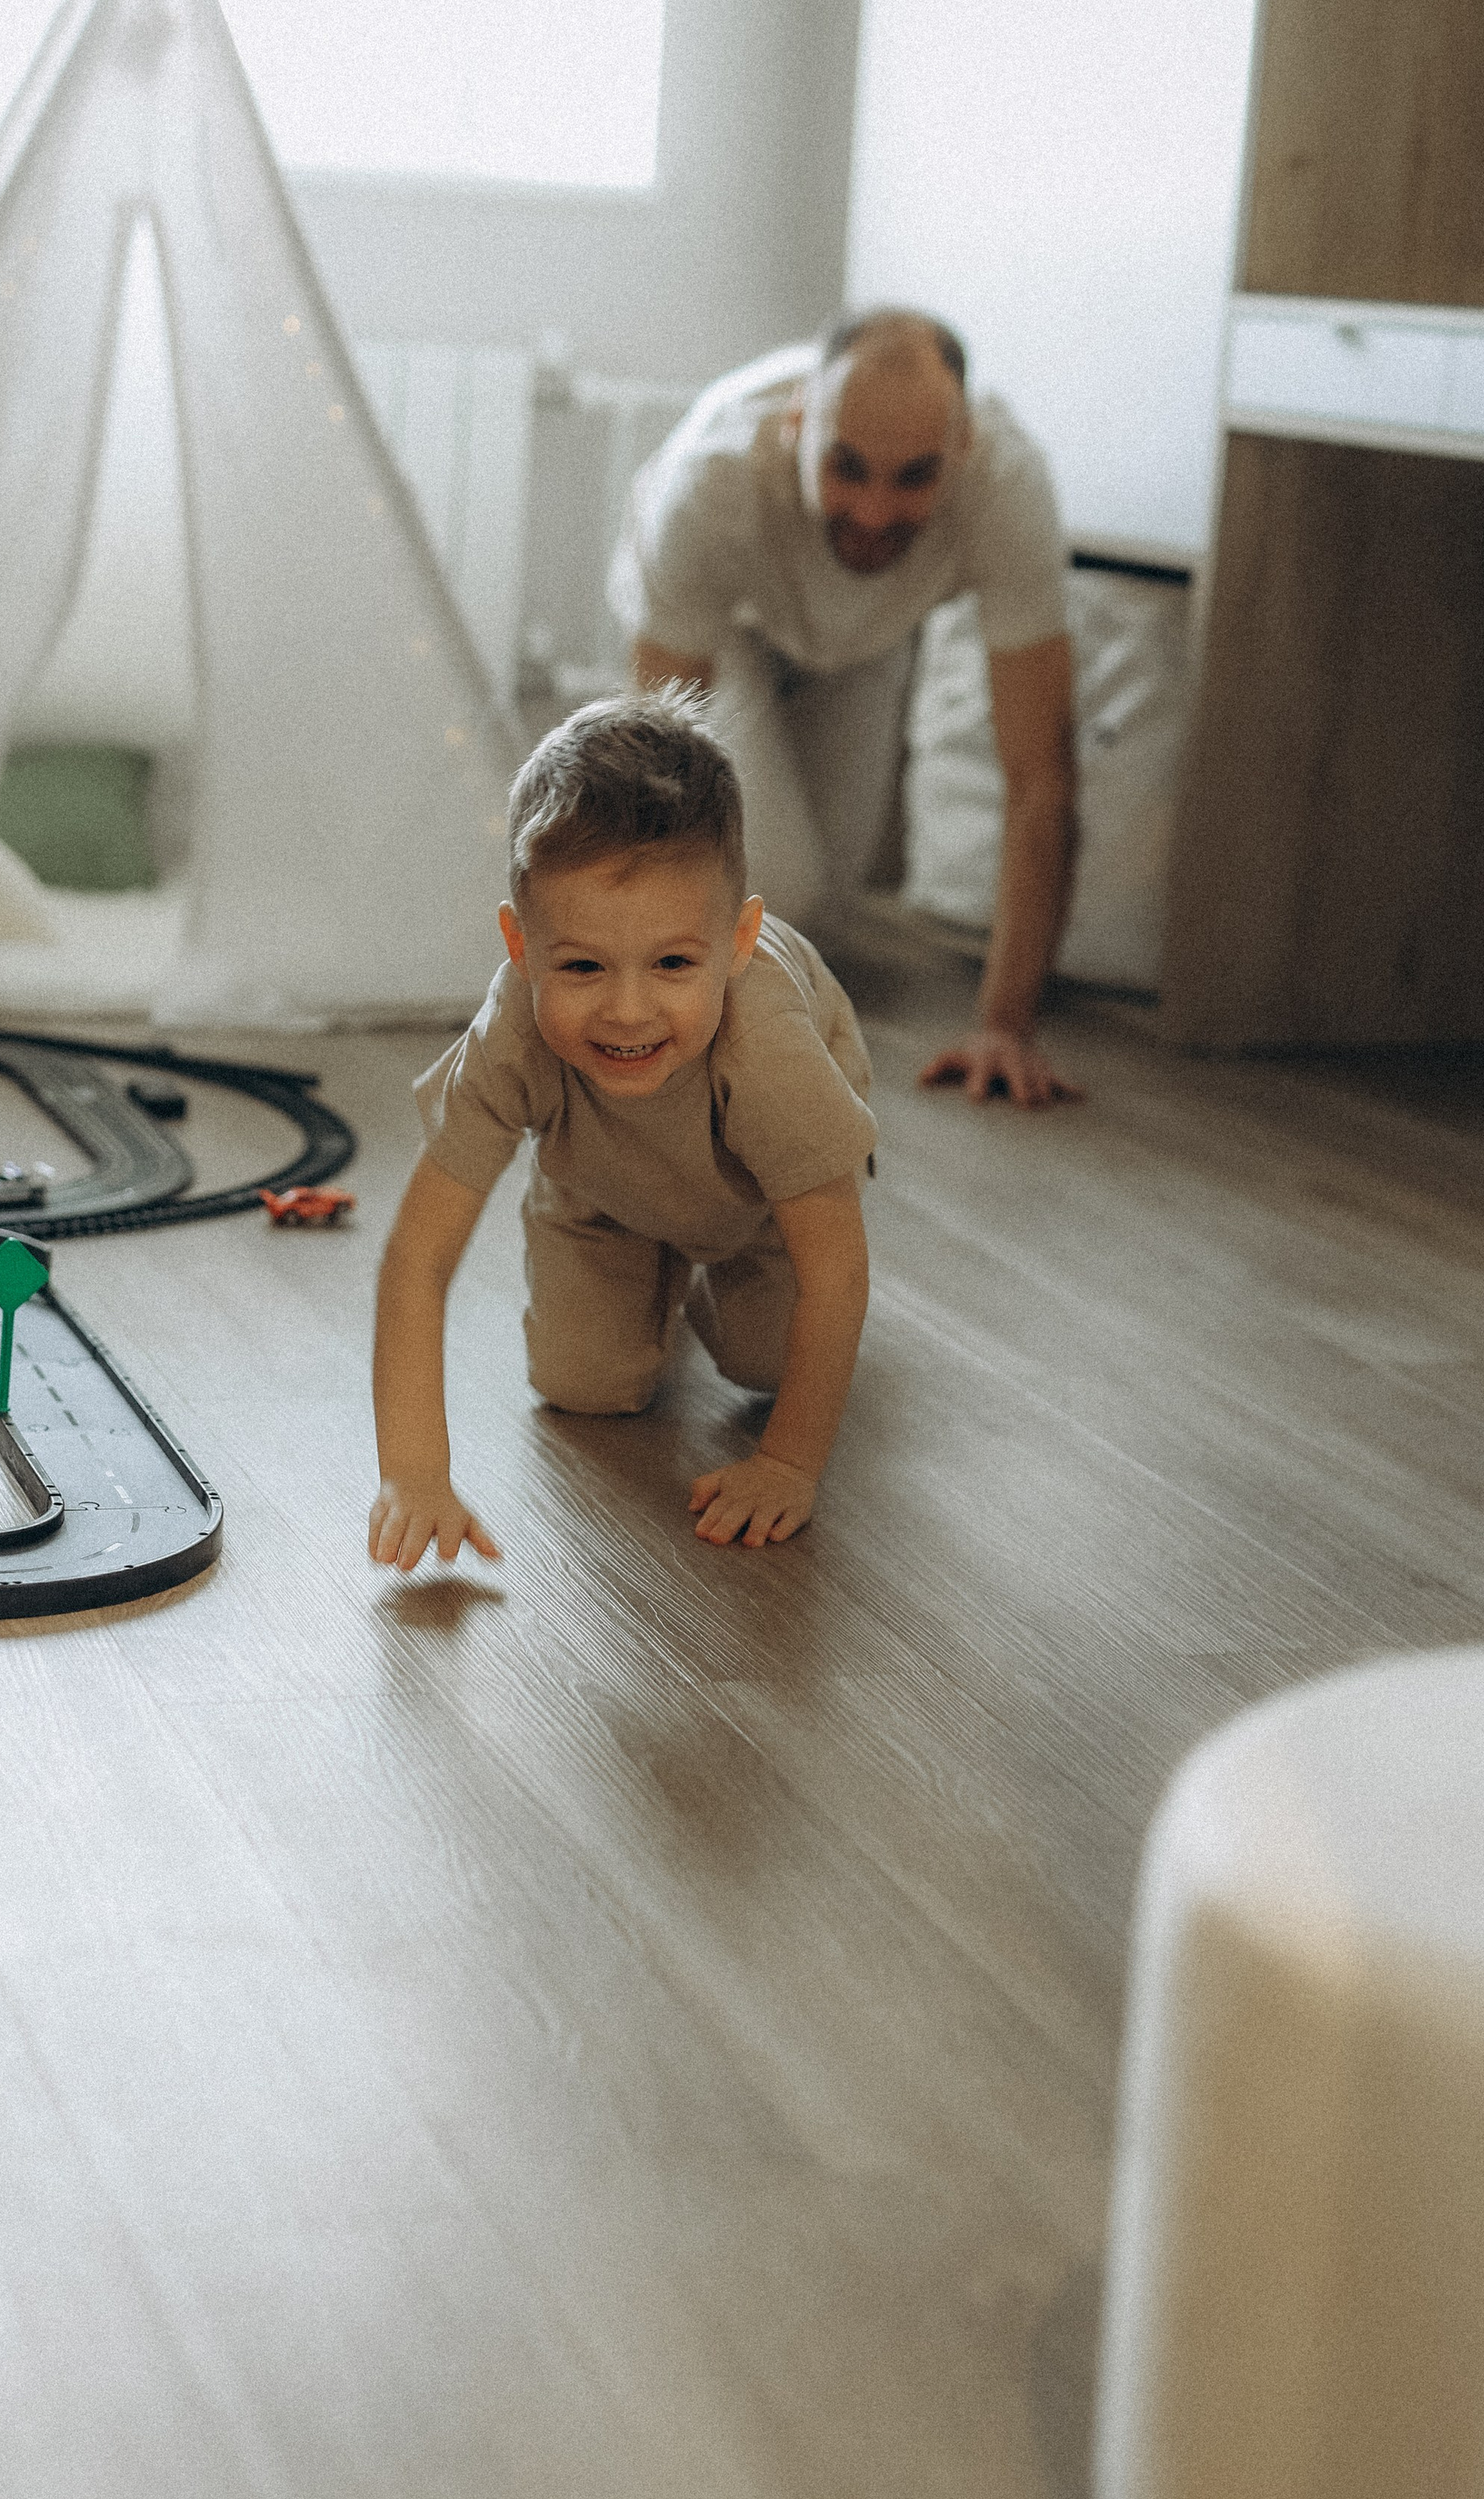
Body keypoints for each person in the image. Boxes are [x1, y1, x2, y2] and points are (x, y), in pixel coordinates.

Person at [370, 692, 876, 1574]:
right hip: (602, 1185)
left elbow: (836, 1268)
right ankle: (643, 1265)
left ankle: (700, 1277)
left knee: (769, 1364)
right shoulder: (513, 1035)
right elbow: (419, 1257)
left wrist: (788, 1464)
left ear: (739, 939)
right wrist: (414, 1475)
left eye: (676, 963)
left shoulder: (769, 1049)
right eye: (581, 966)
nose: (629, 1009)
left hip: (761, 1199)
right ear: (521, 946)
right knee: (583, 1388)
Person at [610, 306, 1080, 1107]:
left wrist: (1005, 1026)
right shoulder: (710, 482)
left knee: (824, 904)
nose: (871, 512)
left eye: (913, 478)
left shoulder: (1009, 489)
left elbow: (1041, 777)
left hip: (866, 639)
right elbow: (656, 773)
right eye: (846, 467)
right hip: (725, 630)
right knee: (779, 885)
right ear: (797, 426)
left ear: (962, 451)